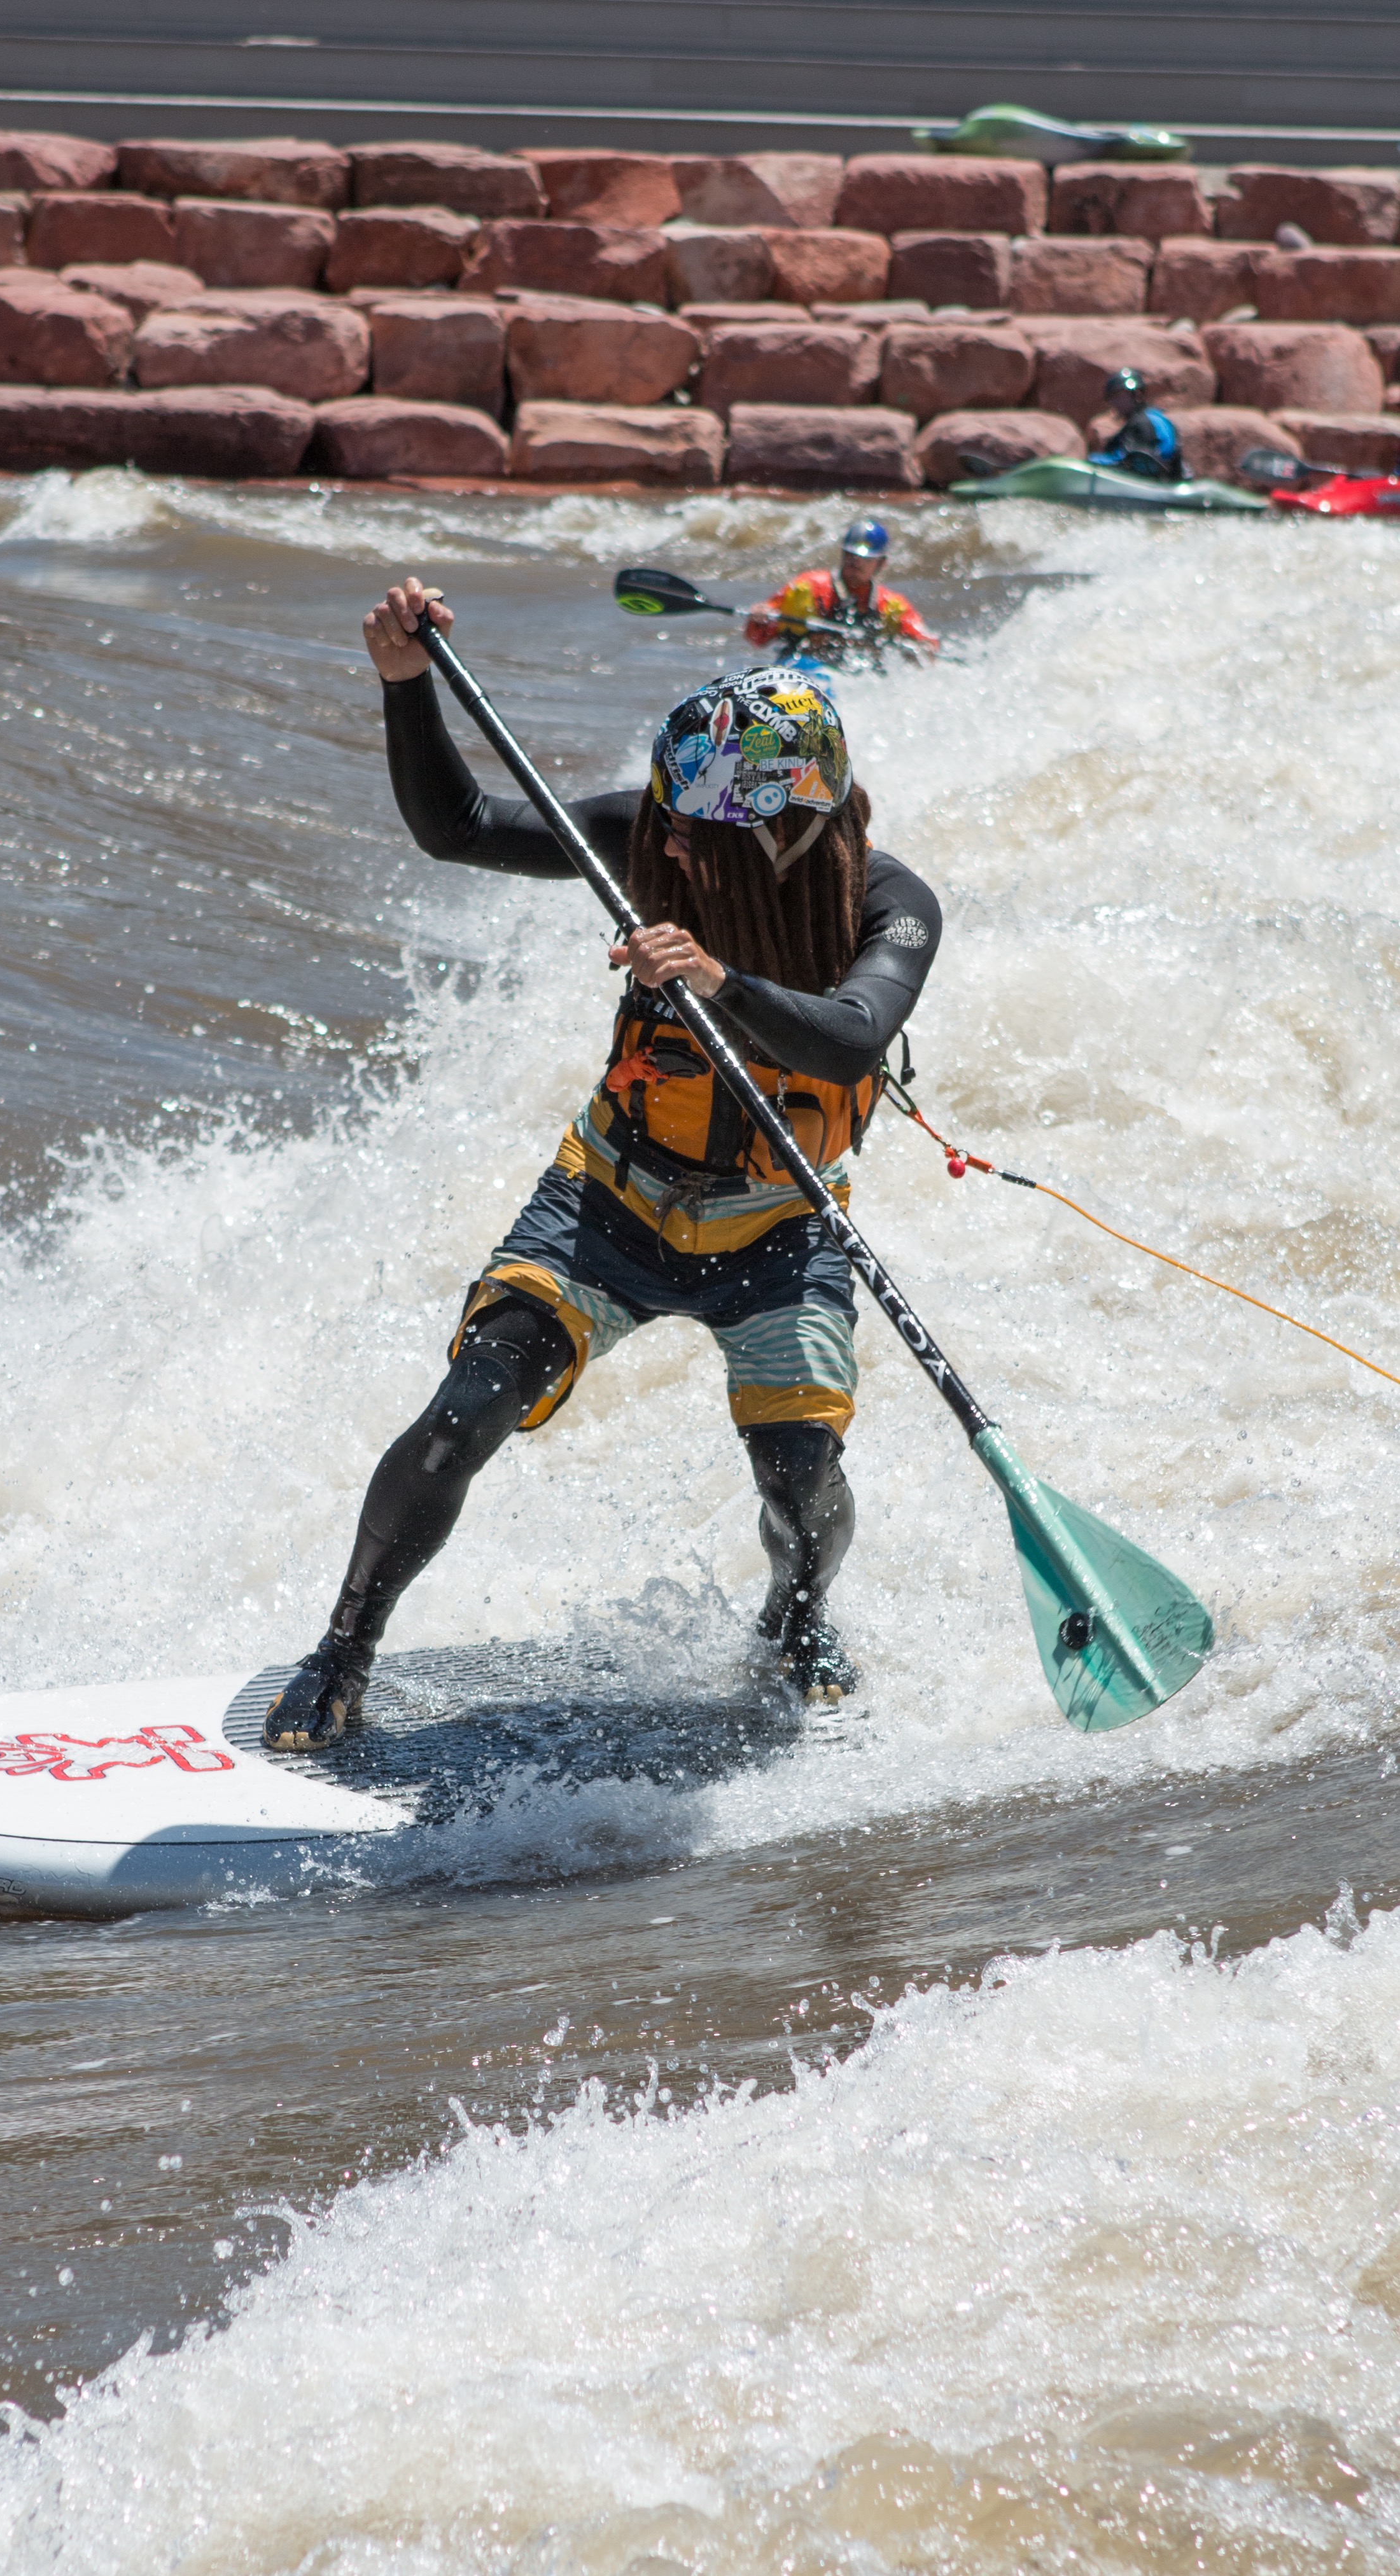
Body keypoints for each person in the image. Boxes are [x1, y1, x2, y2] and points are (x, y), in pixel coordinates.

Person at [262, 575, 942, 1755]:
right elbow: (458, 825)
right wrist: (403, 683)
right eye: (663, 820)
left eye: (693, 830)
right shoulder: (656, 833)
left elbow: (849, 1034)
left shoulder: (891, 904)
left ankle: (794, 1618)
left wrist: (722, 981)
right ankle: (342, 1650)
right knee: (456, 1420)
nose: (663, 838)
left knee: (798, 1480)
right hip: (609, 1202)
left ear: (785, 832)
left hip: (781, 1227)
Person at [741, 519, 940, 664]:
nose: (856, 561)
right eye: (851, 555)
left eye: (866, 558)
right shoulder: (807, 588)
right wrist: (759, 618)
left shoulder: (891, 605)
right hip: (803, 668)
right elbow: (756, 638)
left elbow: (925, 641)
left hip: (856, 677)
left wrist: (922, 649)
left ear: (882, 563)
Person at [1088, 368, 1183, 482]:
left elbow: (1129, 459)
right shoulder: (1149, 417)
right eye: (1112, 398)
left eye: (1119, 397)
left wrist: (1092, 462)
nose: (1114, 403)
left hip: (1157, 484)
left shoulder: (1143, 423)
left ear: (1137, 395)